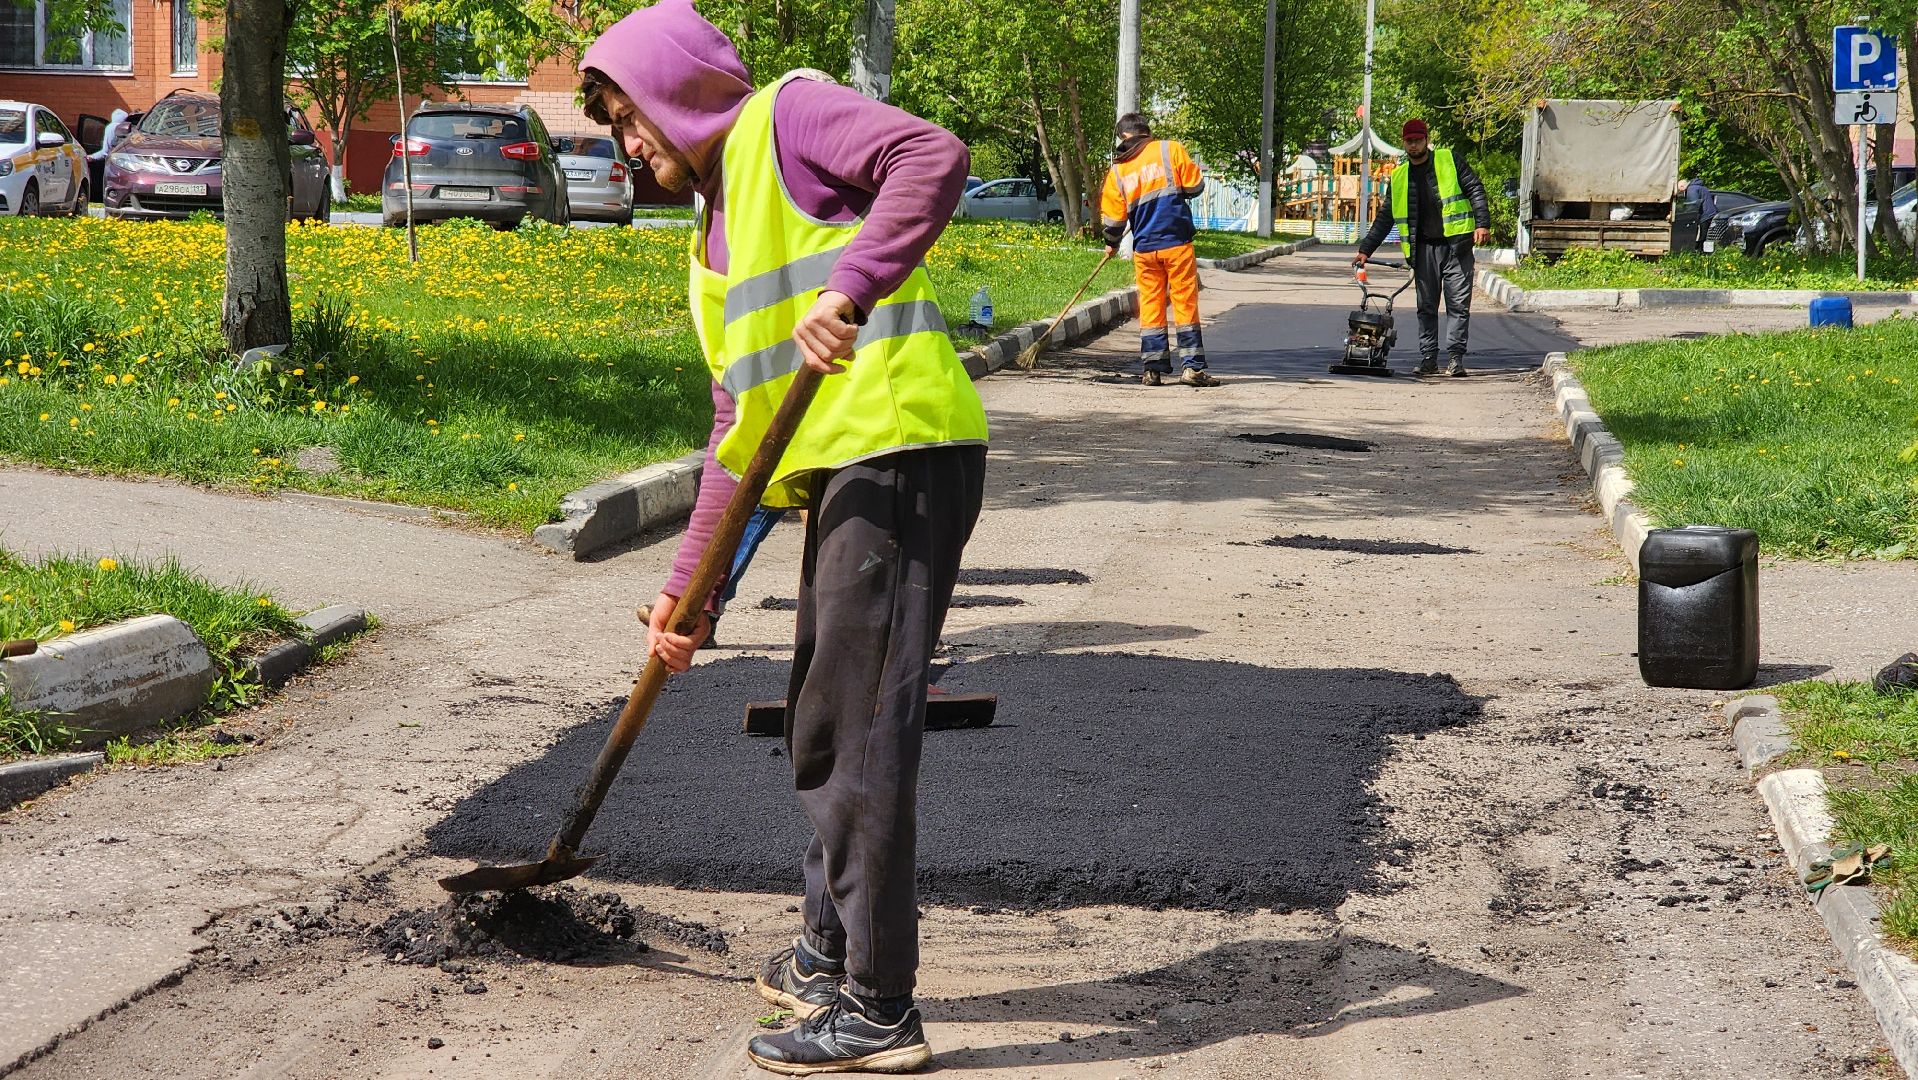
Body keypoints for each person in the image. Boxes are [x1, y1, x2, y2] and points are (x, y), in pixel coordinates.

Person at [579, 1, 988, 1072]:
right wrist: (692, 592)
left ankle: (879, 1007)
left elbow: (931, 156)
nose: (630, 144)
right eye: (616, 129)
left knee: (854, 732)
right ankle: (824, 948)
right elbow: (737, 432)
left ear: (675, 88)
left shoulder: (786, 117)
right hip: (842, 472)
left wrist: (853, 284)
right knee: (822, 714)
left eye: (632, 118)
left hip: (897, 454)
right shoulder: (712, 228)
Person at [1354, 118, 1490, 377]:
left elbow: (1475, 188)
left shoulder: (1449, 159)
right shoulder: (1400, 175)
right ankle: (1428, 357)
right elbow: (1386, 217)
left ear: (1426, 139)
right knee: (1426, 307)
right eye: (1409, 141)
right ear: (1403, 142)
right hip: (1423, 250)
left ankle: (1455, 359)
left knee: (1458, 305)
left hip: (1456, 246)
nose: (1414, 145)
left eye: (1418, 140)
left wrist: (1482, 223)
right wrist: (1366, 250)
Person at [1099, 113, 1215, 387]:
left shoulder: (1119, 170)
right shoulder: (1169, 149)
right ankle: (1193, 369)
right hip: (1176, 243)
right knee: (1184, 303)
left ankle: (1152, 369)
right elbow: (1195, 186)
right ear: (1145, 132)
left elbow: (1114, 221)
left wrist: (1111, 242)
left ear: (1123, 137)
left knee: (1151, 305)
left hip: (1145, 248)